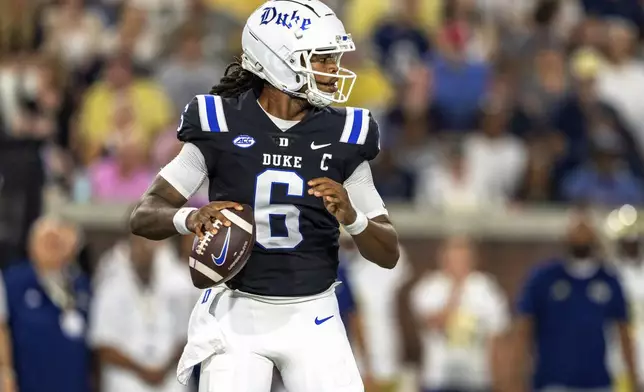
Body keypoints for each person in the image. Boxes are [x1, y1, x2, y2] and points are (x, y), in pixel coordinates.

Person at [129, 1, 400, 391]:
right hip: (237, 313)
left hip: (313, 311)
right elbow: (145, 213)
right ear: (278, 61)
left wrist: (353, 217)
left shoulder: (345, 133)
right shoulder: (220, 121)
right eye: (320, 60)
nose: (332, 71)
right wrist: (190, 218)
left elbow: (387, 252)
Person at [514, 214, 639, 392]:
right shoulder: (544, 278)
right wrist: (516, 379)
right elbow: (523, 330)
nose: (581, 237)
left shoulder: (609, 281)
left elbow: (624, 334)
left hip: (597, 383)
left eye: (586, 231)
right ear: (565, 237)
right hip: (553, 382)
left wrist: (634, 380)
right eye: (576, 231)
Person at [0, 216, 91, 392]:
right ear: (31, 246)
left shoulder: (80, 284)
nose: (53, 244)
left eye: (57, 240)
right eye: (46, 239)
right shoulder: (14, 281)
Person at [411, 236, 510, 392]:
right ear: (443, 259)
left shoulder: (486, 288)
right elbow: (434, 323)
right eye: (453, 259)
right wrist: (455, 293)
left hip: (477, 379)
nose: (458, 264)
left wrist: (500, 377)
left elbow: (498, 336)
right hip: (437, 379)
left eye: (463, 259)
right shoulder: (429, 287)